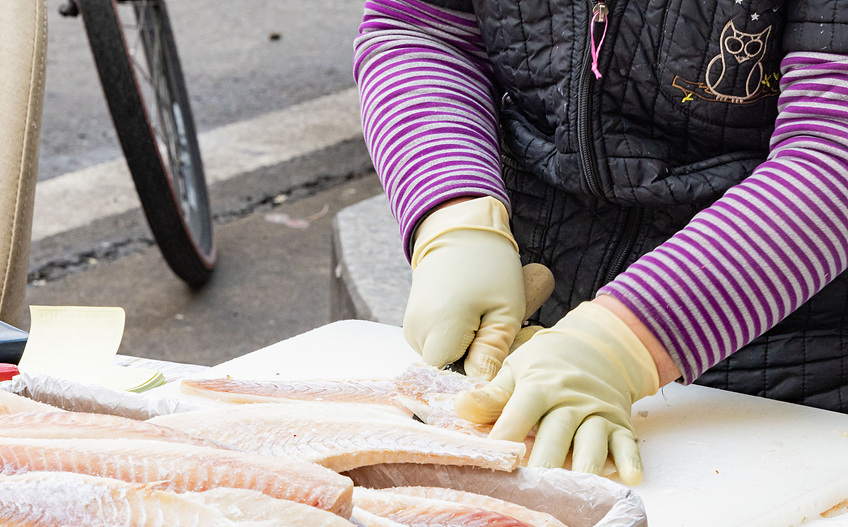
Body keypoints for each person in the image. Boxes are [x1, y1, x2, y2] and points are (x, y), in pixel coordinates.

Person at [353, 0, 848, 483]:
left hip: (783, 370)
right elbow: (421, 30)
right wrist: (454, 216)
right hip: (537, 339)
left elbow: (832, 153)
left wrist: (620, 344)